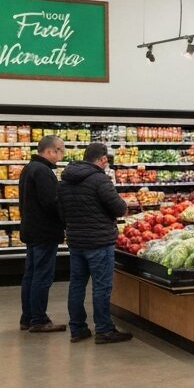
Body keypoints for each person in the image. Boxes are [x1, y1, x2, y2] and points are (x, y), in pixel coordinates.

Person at [57, 143, 132, 344]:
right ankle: (104, 330)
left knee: (77, 284)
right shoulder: (100, 180)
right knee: (101, 286)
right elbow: (118, 208)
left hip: (76, 241)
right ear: (102, 159)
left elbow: (61, 213)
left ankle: (78, 328)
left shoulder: (64, 180)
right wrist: (123, 207)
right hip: (99, 241)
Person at [19, 135, 66, 332]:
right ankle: (39, 320)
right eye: (61, 151)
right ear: (50, 151)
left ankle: (28, 317)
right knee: (42, 276)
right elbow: (51, 203)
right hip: (44, 232)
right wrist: (65, 218)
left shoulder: (29, 168)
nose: (62, 155)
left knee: (30, 274)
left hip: (31, 230)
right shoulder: (43, 171)